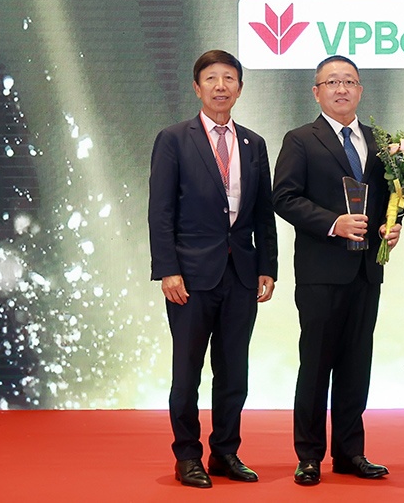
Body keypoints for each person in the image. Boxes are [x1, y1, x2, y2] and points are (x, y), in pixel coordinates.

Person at [148, 50, 278, 489]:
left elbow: (263, 212)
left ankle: (225, 451)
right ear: (197, 87)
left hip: (241, 274)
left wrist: (267, 266)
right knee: (187, 373)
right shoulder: (174, 139)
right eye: (211, 78)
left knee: (233, 372)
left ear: (239, 88)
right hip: (190, 276)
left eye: (229, 79)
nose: (220, 86)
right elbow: (160, 211)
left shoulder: (254, 143)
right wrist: (168, 269)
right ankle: (187, 456)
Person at [272, 55, 402, 486]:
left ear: (360, 90)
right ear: (316, 92)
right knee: (316, 365)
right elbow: (284, 197)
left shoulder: (381, 142)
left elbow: (392, 197)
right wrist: (333, 223)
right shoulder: (300, 140)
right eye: (332, 82)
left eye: (349, 81)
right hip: (321, 272)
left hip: (366, 270)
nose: (341, 89)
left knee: (356, 364)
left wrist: (393, 224)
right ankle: (309, 455)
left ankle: (350, 452)